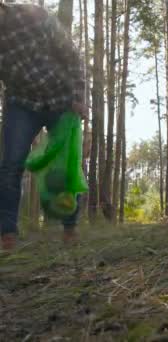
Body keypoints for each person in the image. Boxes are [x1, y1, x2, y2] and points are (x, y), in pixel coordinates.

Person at [0, 3, 86, 251]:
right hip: (22, 104)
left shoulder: (33, 16)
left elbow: (70, 55)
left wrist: (79, 97)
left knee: (67, 164)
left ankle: (70, 228)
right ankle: (8, 235)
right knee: (11, 165)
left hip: (61, 99)